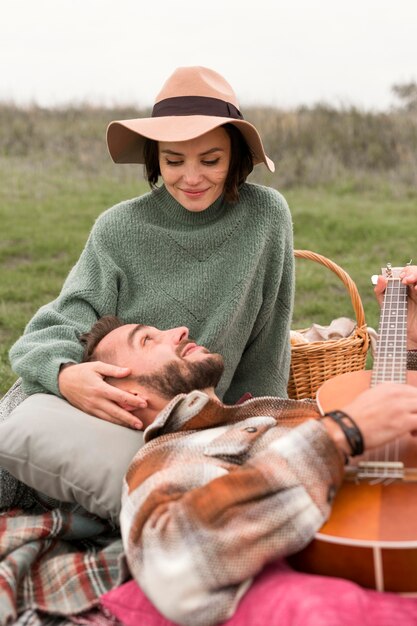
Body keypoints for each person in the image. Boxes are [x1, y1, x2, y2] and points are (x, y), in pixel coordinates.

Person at [79, 301, 417, 626]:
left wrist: (411, 345)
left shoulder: (263, 413)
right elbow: (175, 563)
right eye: (147, 339)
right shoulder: (167, 453)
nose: (180, 330)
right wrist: (341, 434)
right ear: (126, 396)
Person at [7, 66, 294, 430]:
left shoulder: (266, 215)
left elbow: (268, 343)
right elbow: (57, 326)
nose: (191, 178)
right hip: (113, 411)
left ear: (235, 157)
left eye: (210, 160)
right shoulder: (118, 228)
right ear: (154, 157)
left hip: (199, 418)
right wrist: (64, 376)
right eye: (173, 161)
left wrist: (257, 422)